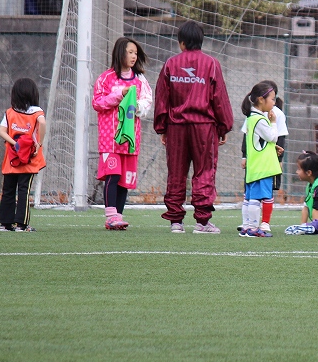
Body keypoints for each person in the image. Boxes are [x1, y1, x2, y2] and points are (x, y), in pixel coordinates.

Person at [153, 20, 233, 234]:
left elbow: (162, 96)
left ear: (181, 43)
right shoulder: (211, 64)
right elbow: (219, 97)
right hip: (204, 127)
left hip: (176, 127)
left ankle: (176, 222)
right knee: (205, 171)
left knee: (176, 172)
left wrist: (162, 126)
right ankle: (203, 222)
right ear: (201, 41)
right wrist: (223, 126)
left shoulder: (170, 63)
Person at [92, 37, 153, 231]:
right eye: (130, 52)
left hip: (130, 139)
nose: (134, 56)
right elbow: (98, 103)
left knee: (125, 179)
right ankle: (110, 216)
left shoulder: (140, 80)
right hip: (110, 139)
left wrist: (135, 107)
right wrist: (120, 95)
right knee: (112, 174)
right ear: (120, 53)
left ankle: (118, 216)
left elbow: (146, 102)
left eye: (136, 53)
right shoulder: (105, 78)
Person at [0, 78, 46, 232]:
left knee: (9, 190)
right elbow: (43, 123)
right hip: (28, 159)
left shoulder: (9, 112)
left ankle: (5, 224)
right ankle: (22, 224)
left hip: (12, 159)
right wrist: (39, 143)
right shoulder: (36, 112)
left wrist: (14, 143)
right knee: (24, 189)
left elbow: (1, 132)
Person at [238, 81, 280, 237]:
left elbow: (258, 142)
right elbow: (272, 137)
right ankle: (254, 229)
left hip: (254, 166)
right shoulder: (260, 120)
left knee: (249, 198)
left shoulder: (250, 118)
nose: (274, 102)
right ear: (261, 100)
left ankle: (247, 227)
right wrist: (274, 122)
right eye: (273, 99)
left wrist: (272, 147)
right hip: (262, 168)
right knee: (257, 199)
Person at [264, 80, 288, 195]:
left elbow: (281, 137)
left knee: (268, 189)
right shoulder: (253, 114)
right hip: (256, 159)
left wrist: (279, 160)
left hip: (271, 158)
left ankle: (266, 212)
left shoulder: (277, 114)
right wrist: (244, 156)